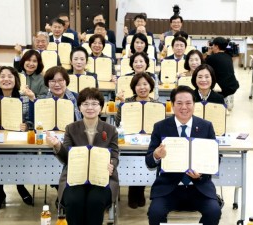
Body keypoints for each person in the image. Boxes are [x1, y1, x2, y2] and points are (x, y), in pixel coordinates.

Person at [145, 85, 221, 225]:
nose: (184, 107)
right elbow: (149, 161)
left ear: (194, 104)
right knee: (155, 213)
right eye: (179, 103)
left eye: (188, 103)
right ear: (172, 105)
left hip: (198, 187)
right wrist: (156, 155)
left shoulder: (206, 126)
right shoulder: (160, 127)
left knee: (214, 211)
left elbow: (215, 158)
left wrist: (201, 174)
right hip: (169, 187)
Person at [46, 87, 119, 225]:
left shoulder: (110, 130)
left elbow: (114, 155)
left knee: (95, 201)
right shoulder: (71, 128)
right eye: (85, 104)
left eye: (94, 103)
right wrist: (57, 145)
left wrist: (112, 165)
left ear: (101, 107)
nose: (90, 107)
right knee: (74, 201)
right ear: (79, 107)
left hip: (101, 177)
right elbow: (66, 158)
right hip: (75, 177)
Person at [0, 66, 34, 211]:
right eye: (2, 76)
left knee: (19, 157)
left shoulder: (24, 99)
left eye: (10, 76)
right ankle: (0, 193)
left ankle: (21, 187)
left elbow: (32, 120)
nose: (6, 79)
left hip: (18, 141)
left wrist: (27, 126)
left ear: (15, 80)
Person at [114, 72, 159, 209]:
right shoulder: (127, 102)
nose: (142, 87)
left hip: (149, 139)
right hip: (130, 139)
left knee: (147, 156)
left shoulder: (156, 104)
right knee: (133, 160)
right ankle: (134, 191)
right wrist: (120, 107)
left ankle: (139, 191)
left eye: (145, 84)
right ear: (134, 88)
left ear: (150, 86)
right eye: (138, 85)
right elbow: (117, 123)